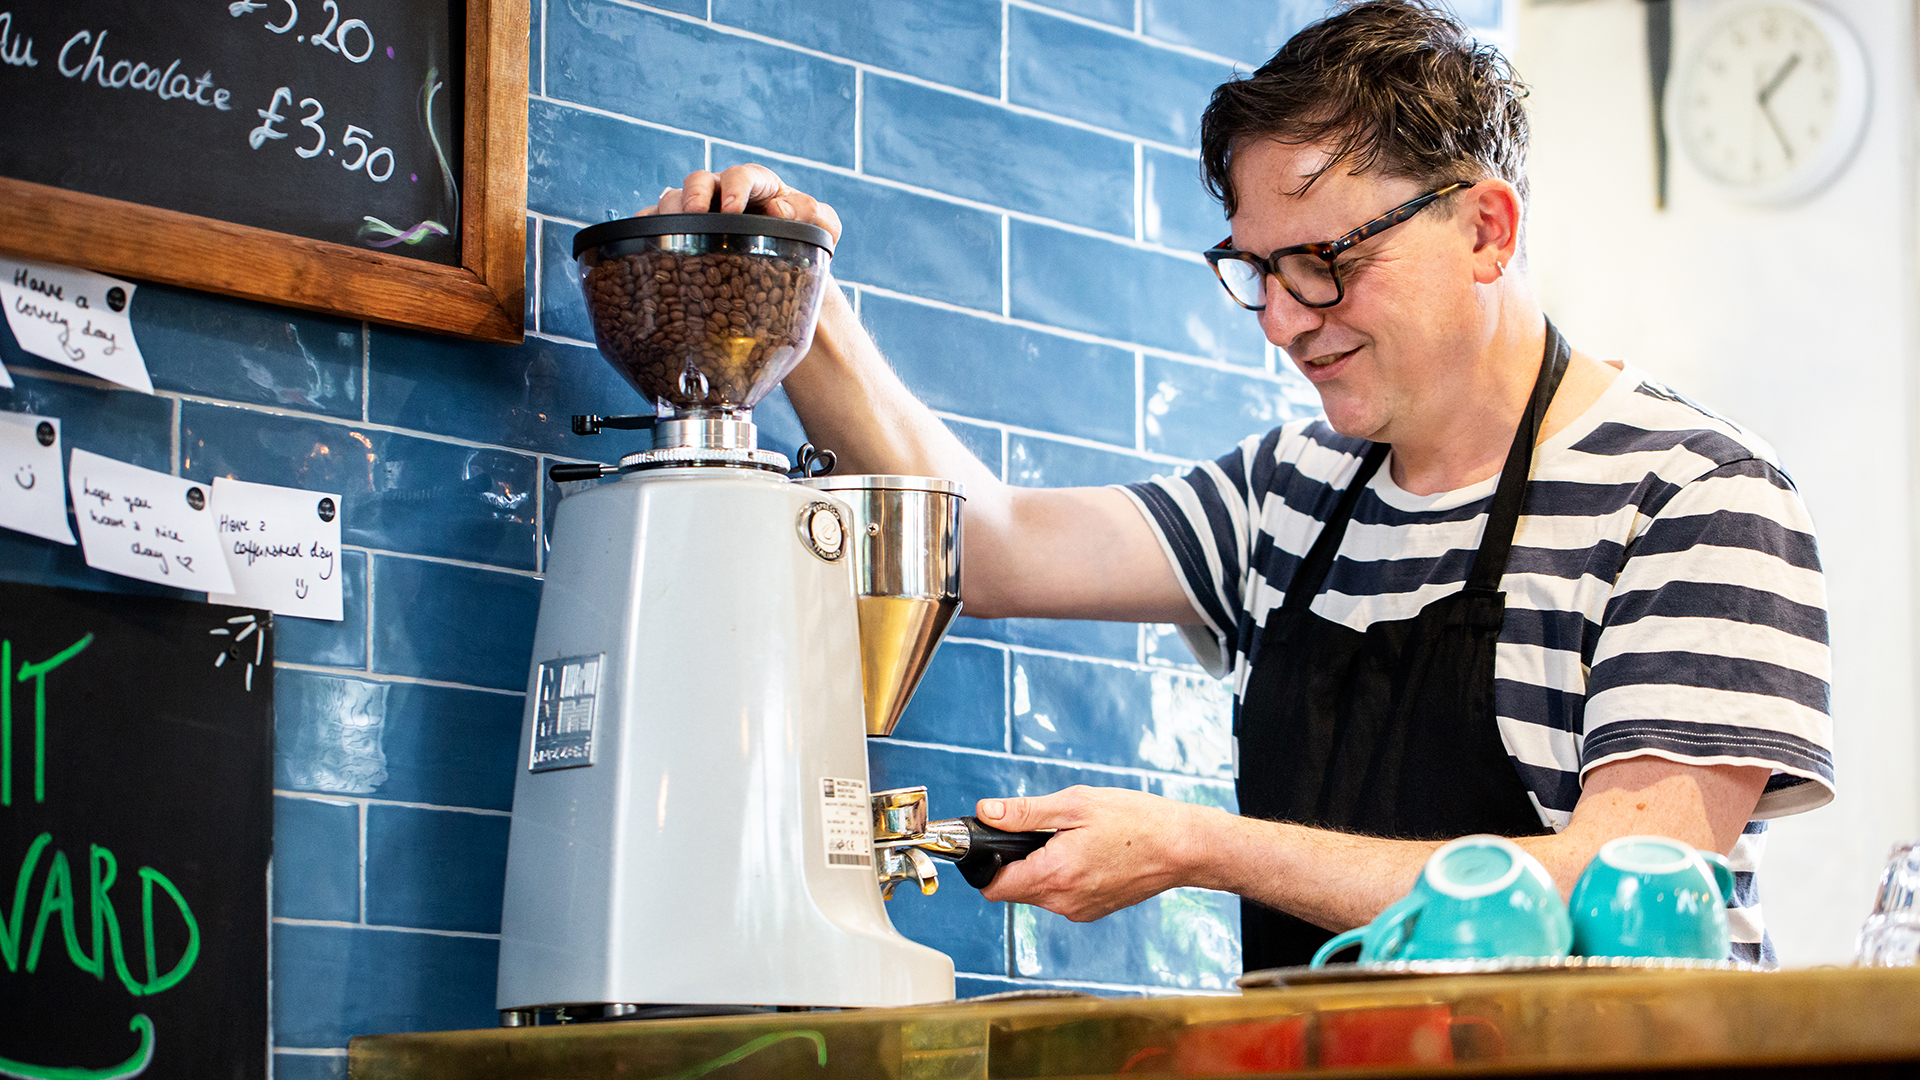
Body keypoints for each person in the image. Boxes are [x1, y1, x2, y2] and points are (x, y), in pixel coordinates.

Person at [640, 0, 1832, 966]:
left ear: (1486, 229)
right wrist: (801, 309)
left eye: (1323, 262)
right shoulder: (1291, 494)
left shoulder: (1692, 500)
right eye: (1256, 270)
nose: (1280, 321)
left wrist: (1198, 847)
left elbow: (1616, 881)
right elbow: (983, 549)